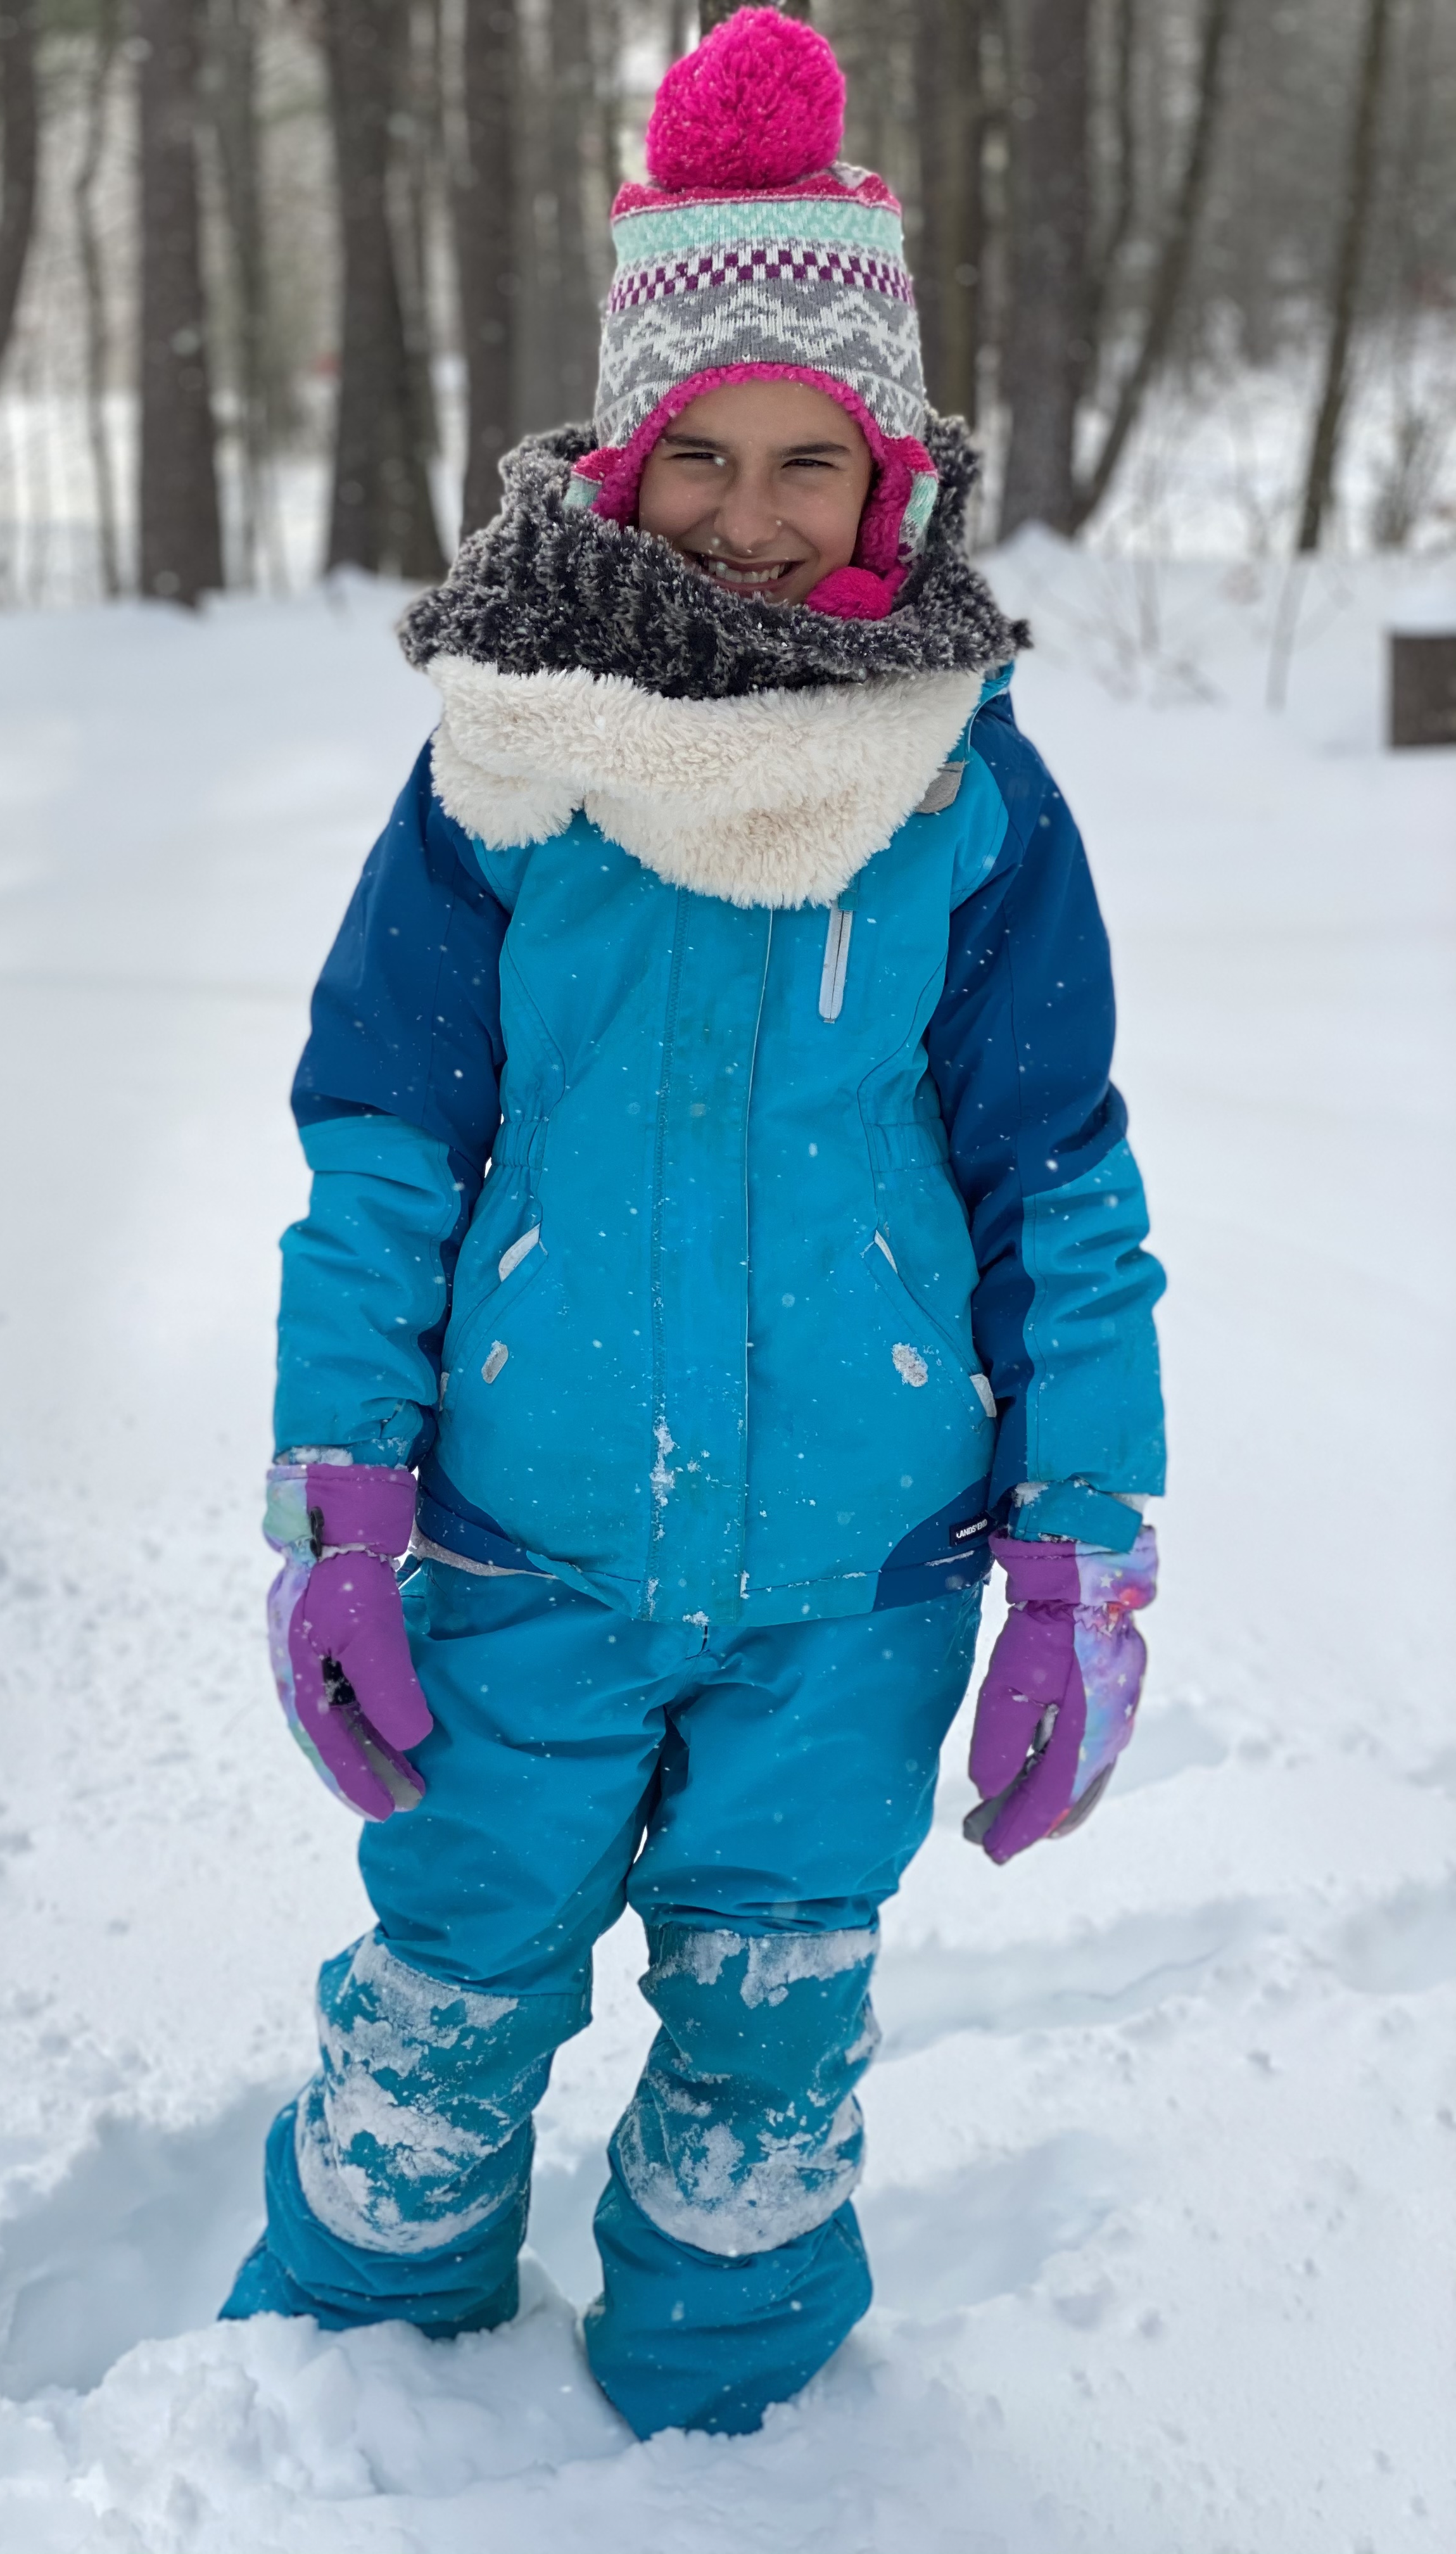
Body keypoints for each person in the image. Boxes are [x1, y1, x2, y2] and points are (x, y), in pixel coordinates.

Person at [222, 8, 1164, 2441]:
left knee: (772, 2040)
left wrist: (1080, 1547)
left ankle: (735, 2438)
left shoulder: (969, 795)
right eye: (704, 459)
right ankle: (336, 2410)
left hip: (856, 1580)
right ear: (623, 467)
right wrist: (342, 1493)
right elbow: (387, 1147)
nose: (753, 513)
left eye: (809, 459)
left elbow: (1059, 1183)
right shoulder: (506, 771)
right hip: (524, 1553)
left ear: (893, 476)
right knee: (444, 2003)